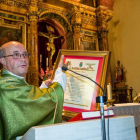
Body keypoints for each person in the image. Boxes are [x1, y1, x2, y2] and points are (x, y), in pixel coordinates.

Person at [0, 41, 67, 140]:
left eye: (25, 54)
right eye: (16, 55)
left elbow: (25, 110)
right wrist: (60, 72)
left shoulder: (12, 81)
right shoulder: (5, 86)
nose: (23, 59)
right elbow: (52, 98)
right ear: (3, 61)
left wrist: (43, 88)